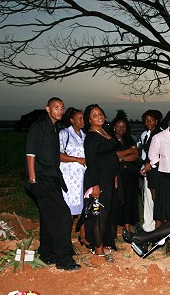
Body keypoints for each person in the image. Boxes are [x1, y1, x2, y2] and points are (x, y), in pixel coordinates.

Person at [25, 97, 80, 270]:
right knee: (63, 215)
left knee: (47, 217)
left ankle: (47, 254)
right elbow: (30, 153)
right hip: (41, 179)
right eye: (56, 107)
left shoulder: (55, 129)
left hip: (53, 179)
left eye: (62, 108)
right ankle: (64, 259)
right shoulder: (39, 126)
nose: (59, 111)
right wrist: (33, 178)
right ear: (48, 109)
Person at [82, 104, 120, 257]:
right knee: (99, 215)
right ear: (89, 120)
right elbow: (91, 163)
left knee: (106, 214)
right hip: (99, 180)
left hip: (109, 178)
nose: (99, 116)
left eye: (100, 113)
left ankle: (103, 243)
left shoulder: (105, 132)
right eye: (94, 115)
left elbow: (109, 156)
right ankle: (98, 249)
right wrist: (95, 185)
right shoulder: (91, 137)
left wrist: (115, 176)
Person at [58, 107, 88, 247]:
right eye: (80, 118)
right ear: (72, 120)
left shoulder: (85, 135)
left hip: (83, 176)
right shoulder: (65, 134)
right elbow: (58, 155)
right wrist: (78, 159)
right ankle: (65, 239)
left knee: (83, 207)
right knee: (69, 209)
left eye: (83, 118)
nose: (82, 121)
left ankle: (83, 236)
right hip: (69, 177)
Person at [110, 116, 140, 232]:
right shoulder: (110, 140)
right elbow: (112, 155)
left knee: (129, 199)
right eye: (118, 126)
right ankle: (115, 227)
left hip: (130, 174)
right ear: (114, 127)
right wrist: (127, 153)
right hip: (116, 174)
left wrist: (122, 159)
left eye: (123, 126)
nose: (121, 128)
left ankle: (127, 227)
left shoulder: (129, 139)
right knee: (116, 200)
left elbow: (136, 155)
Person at [139, 109, 164, 232]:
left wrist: (150, 164)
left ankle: (157, 227)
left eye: (152, 120)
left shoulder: (160, 134)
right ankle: (148, 226)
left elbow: (163, 155)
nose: (149, 122)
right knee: (148, 199)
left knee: (156, 199)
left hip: (157, 172)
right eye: (146, 120)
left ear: (157, 121)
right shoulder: (147, 134)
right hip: (148, 172)